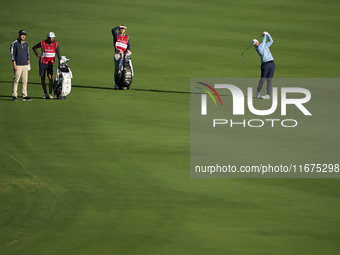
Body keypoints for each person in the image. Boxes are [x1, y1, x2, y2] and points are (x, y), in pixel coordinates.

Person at [32, 32, 61, 99]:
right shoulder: (42, 43)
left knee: (50, 77)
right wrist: (38, 55)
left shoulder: (56, 43)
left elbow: (58, 53)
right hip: (42, 62)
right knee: (43, 78)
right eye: (51, 38)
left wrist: (60, 60)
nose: (53, 39)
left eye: (53, 37)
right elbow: (34, 48)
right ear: (48, 38)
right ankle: (45, 93)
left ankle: (50, 93)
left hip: (50, 63)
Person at [253, 31, 275, 99]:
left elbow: (271, 41)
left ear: (258, 42)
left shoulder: (264, 45)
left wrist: (268, 34)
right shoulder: (258, 48)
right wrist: (264, 35)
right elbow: (263, 43)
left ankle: (268, 95)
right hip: (265, 65)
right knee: (263, 79)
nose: (256, 44)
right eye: (254, 44)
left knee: (269, 80)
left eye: (256, 43)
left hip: (272, 63)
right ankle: (258, 90)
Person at [10, 30, 32, 101]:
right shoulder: (14, 44)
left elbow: (27, 53)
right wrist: (14, 64)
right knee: (16, 81)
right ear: (18, 35)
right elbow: (12, 55)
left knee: (25, 81)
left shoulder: (26, 44)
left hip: (25, 64)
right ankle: (14, 96)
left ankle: (24, 96)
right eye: (22, 35)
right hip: (18, 65)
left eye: (24, 35)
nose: (23, 36)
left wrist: (28, 62)